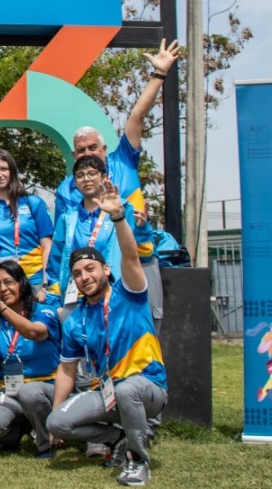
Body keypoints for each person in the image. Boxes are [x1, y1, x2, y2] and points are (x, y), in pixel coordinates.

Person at [46, 181, 166, 487]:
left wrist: (118, 217)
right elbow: (66, 370)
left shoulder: (130, 294)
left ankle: (137, 462)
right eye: (77, 274)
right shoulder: (75, 320)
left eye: (90, 269)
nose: (85, 277)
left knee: (127, 390)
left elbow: (131, 257)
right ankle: (118, 438)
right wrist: (56, 417)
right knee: (57, 422)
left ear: (106, 271)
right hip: (108, 393)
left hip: (147, 388)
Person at [55, 41, 178, 328]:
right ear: (74, 156)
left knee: (141, 331)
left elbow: (136, 117)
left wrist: (158, 75)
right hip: (92, 276)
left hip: (136, 260)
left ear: (104, 147)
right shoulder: (67, 187)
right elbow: (63, 239)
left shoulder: (123, 161)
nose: (87, 154)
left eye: (92, 147)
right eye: (81, 150)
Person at [0, 259, 62, 458]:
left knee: (30, 393)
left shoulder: (43, 310)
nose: (3, 289)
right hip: (11, 390)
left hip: (46, 388)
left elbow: (35, 333)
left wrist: (1, 307)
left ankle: (46, 444)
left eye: (9, 282)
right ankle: (17, 434)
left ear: (21, 284)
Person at [45, 155, 151, 321]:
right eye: (80, 175)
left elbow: (141, 254)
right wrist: (53, 298)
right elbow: (55, 261)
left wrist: (143, 229)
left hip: (114, 295)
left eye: (92, 173)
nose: (86, 179)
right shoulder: (67, 217)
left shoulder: (122, 209)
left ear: (104, 177)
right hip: (76, 296)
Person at [0, 149, 54, 303]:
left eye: (3, 169)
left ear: (12, 171)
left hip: (33, 281)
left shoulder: (33, 203)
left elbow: (47, 246)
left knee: (34, 327)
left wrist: (47, 285)